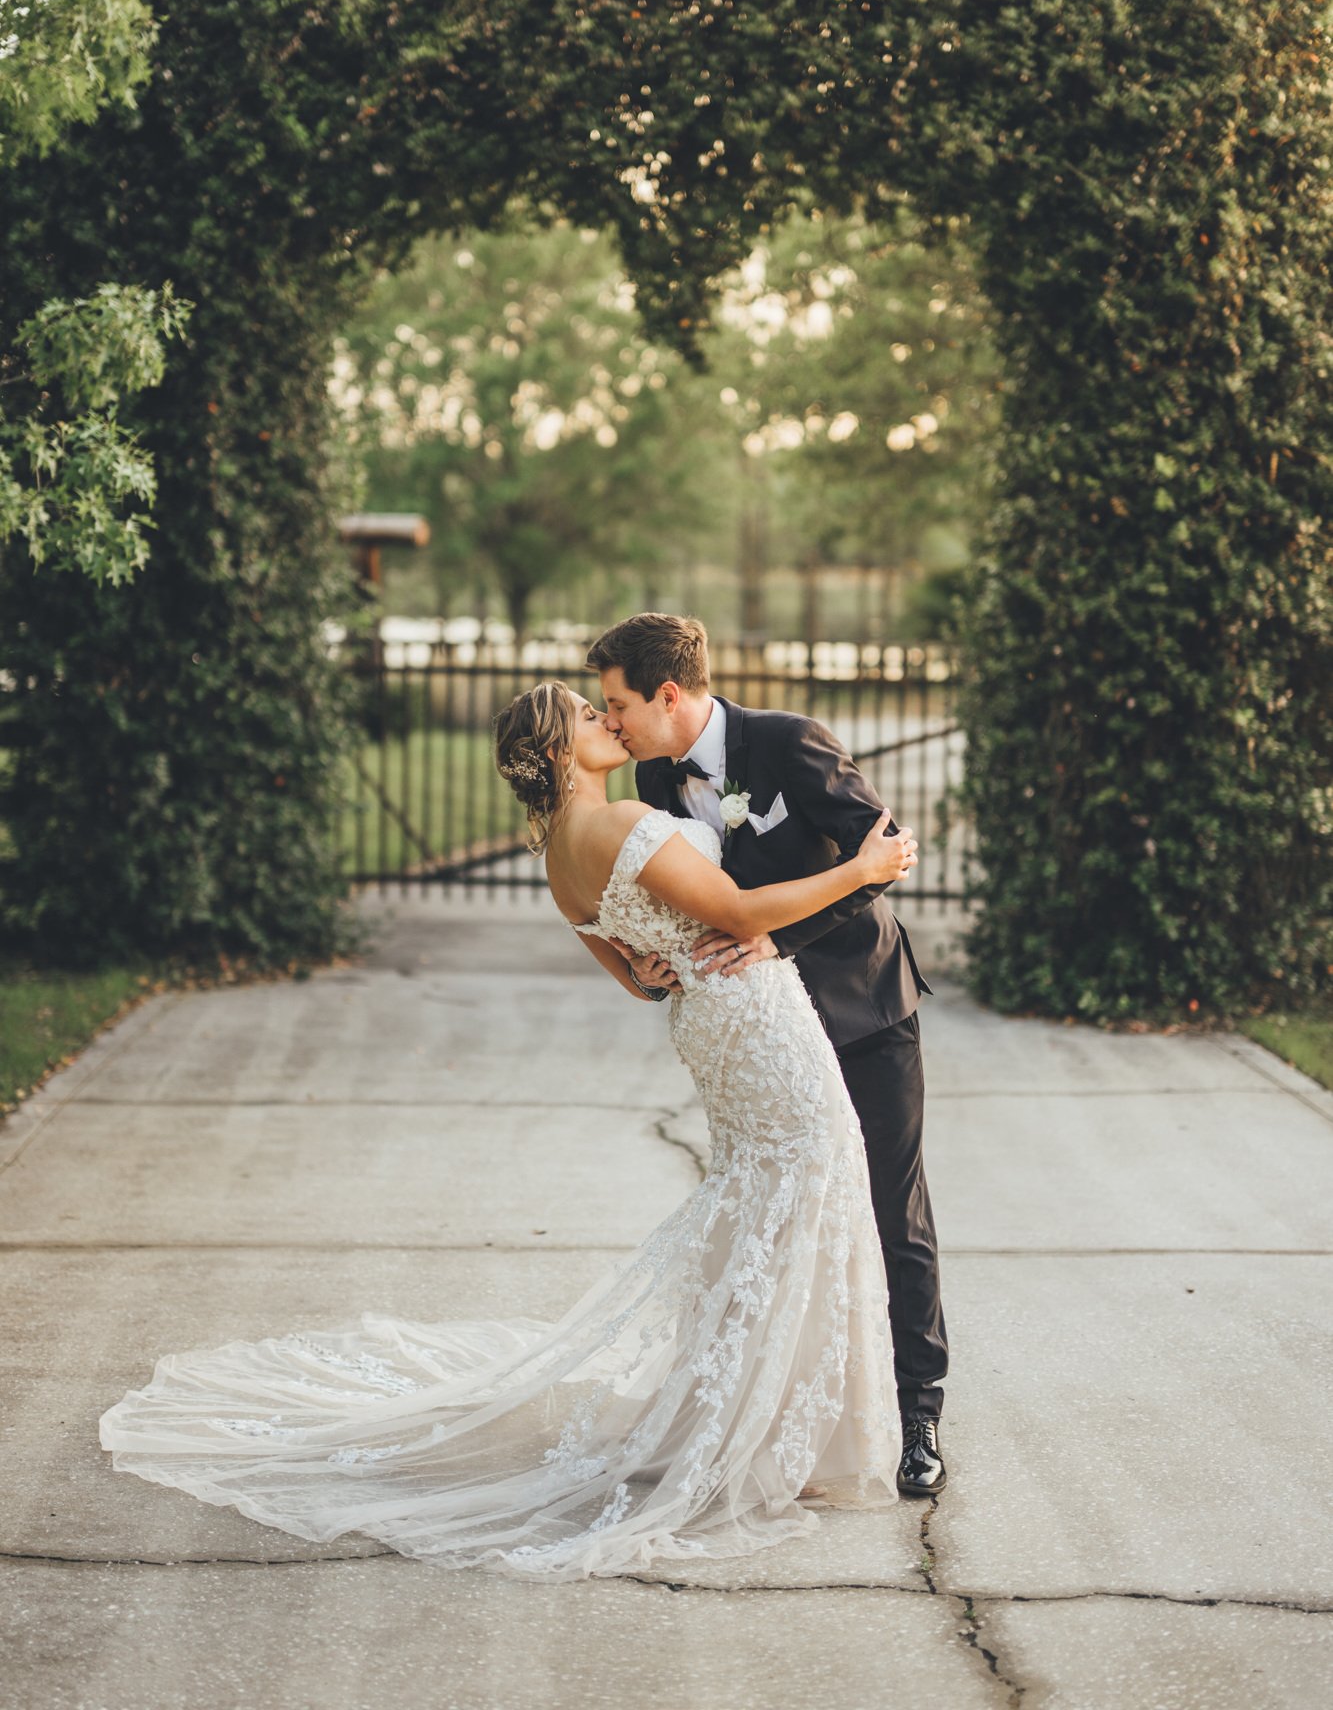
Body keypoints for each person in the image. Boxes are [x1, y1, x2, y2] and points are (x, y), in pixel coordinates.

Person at [96, 678, 918, 1581]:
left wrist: (666, 958)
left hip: (709, 1021)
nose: (608, 721)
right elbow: (737, 916)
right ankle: (776, 1429)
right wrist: (860, 873)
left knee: (763, 1196)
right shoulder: (615, 827)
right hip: (753, 1017)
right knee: (808, 1176)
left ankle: (760, 1416)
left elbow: (635, 979)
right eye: (589, 716)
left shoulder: (559, 849)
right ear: (561, 750)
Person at [585, 612, 948, 1497]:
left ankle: (918, 1415)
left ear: (668, 695)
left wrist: (777, 940)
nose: (613, 721)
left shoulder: (789, 744)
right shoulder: (649, 774)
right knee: (787, 1215)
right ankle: (793, 1413)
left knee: (890, 1209)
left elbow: (884, 856)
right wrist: (656, 957)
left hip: (861, 1009)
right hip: (764, 1033)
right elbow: (692, 897)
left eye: (618, 703)